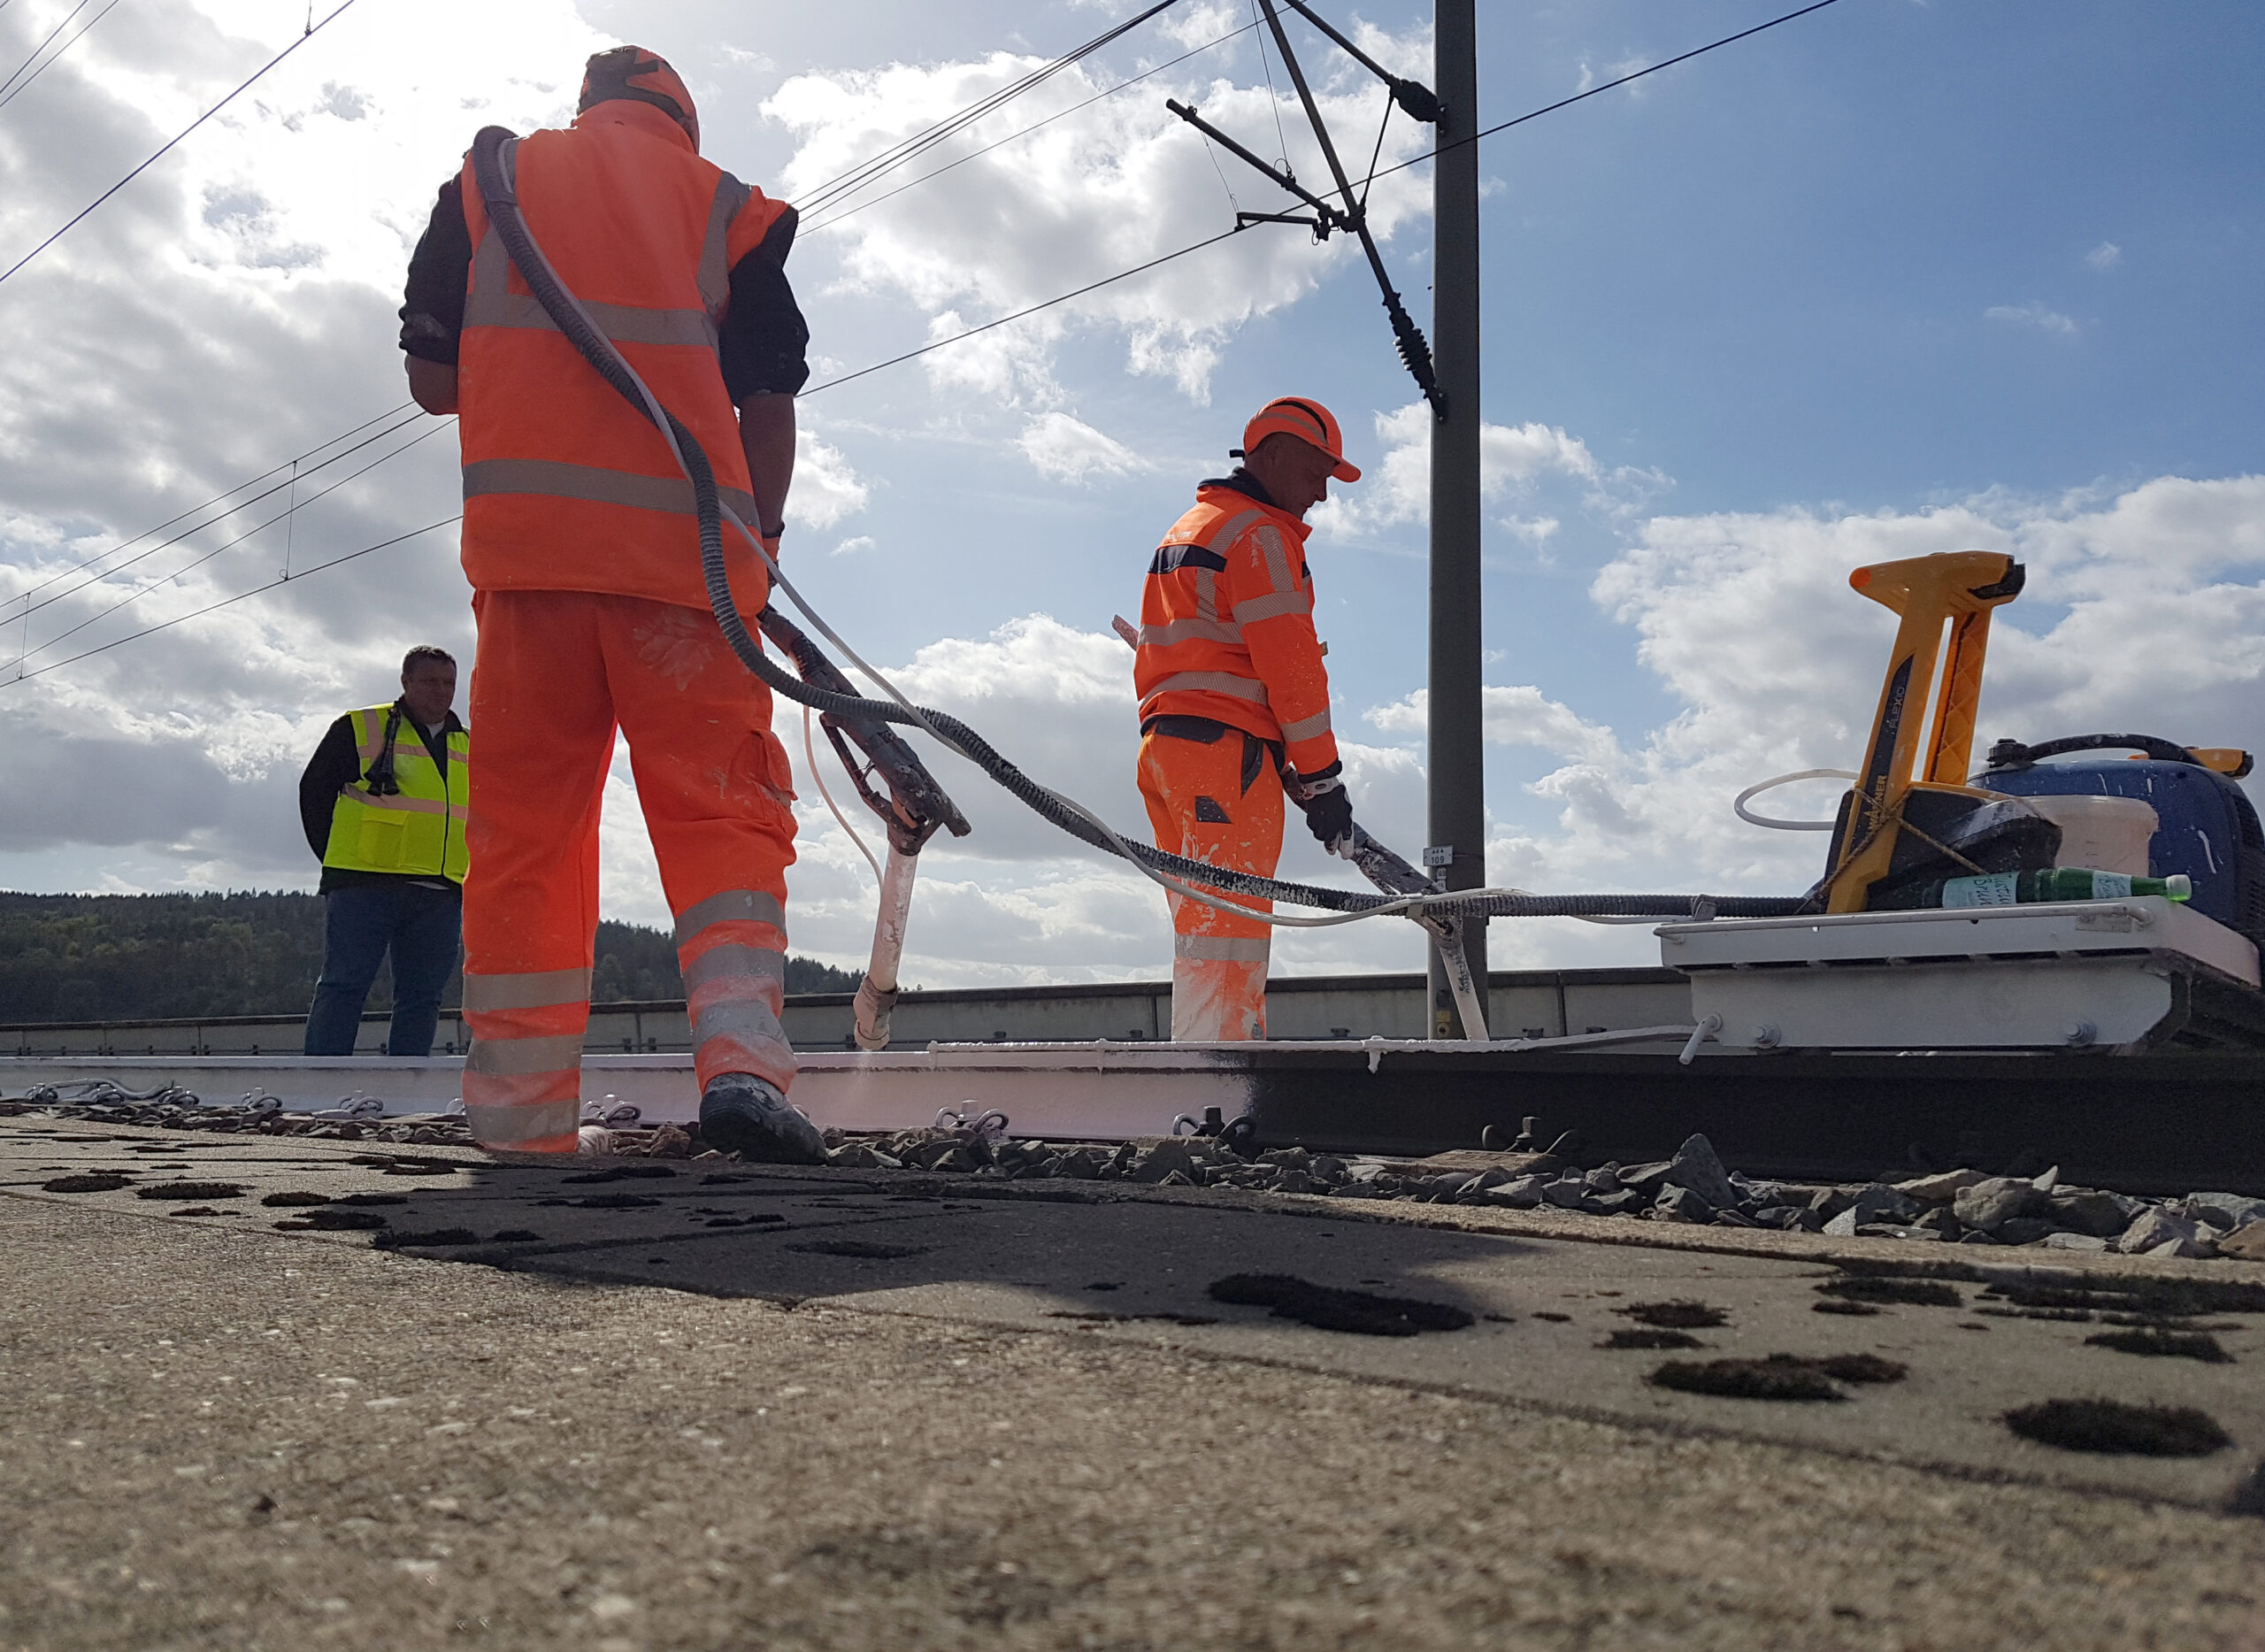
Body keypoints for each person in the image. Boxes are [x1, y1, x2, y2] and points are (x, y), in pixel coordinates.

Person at [396, 44, 820, 1159]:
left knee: (524, 838)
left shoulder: (489, 185)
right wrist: (761, 542)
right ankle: (740, 1071)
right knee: (720, 816)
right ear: (679, 120)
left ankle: (521, 1120)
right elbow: (767, 401)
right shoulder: (726, 208)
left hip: (530, 570)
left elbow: (432, 380)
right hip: (686, 577)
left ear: (588, 110)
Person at [1132, 396, 1365, 1041]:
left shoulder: (1192, 526)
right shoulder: (1259, 537)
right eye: (1319, 472)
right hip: (1223, 754)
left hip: (1169, 751)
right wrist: (1322, 780)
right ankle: (1217, 1095)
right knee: (1229, 935)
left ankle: (1210, 1077)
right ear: (1278, 455)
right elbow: (1292, 672)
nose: (1322, 492)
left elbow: (1203, 655)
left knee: (1204, 929)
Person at [300, 646, 468, 1057]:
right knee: (345, 984)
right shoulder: (360, 728)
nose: (442, 692)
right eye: (430, 682)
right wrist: (340, 860)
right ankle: (321, 1078)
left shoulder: (468, 745)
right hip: (364, 885)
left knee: (423, 996)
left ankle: (406, 1082)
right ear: (406, 682)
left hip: (440, 889)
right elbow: (314, 793)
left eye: (449, 683)